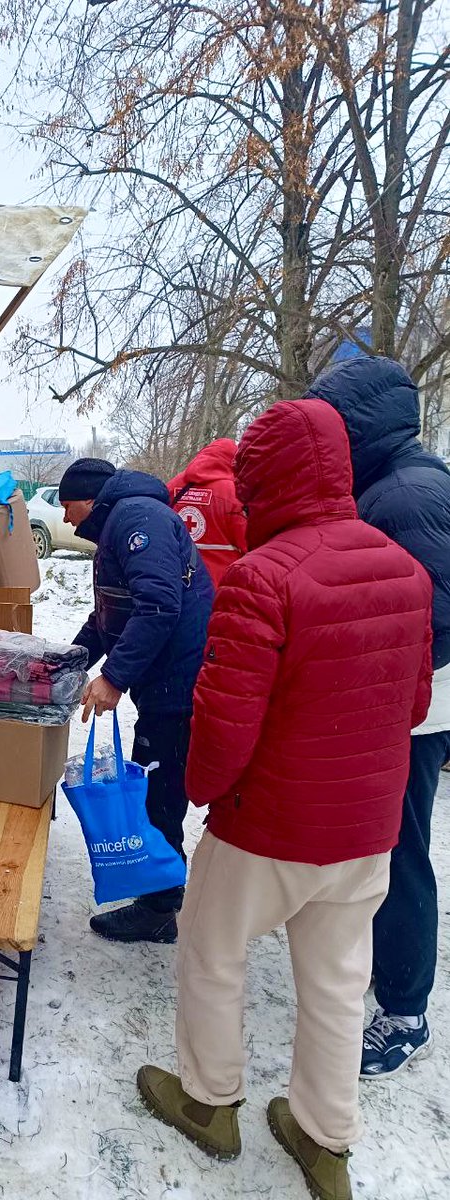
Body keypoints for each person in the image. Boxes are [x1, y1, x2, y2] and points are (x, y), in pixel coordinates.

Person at [136, 398, 432, 1200]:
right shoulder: (404, 571)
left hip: (267, 824)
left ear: (260, 480)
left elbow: (224, 728)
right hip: (366, 830)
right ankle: (325, 1140)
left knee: (210, 951)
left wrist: (201, 791)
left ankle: (208, 1103)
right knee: (339, 982)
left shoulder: (262, 578)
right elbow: (409, 710)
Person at [305, 355, 450, 1078]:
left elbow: (430, 622)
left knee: (399, 851)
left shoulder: (401, 498)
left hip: (412, 710)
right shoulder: (397, 483)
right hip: (408, 703)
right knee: (385, 847)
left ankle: (404, 1010)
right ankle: (387, 979)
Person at [59, 457, 213, 942]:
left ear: (89, 499)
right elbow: (113, 610)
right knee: (154, 788)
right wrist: (70, 661)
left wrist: (114, 678)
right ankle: (162, 895)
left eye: (67, 507)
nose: (65, 520)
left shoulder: (136, 519)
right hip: (166, 681)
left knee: (159, 793)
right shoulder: (120, 523)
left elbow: (159, 606)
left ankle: (160, 909)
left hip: (178, 685)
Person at [167, 438, 246, 587]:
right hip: (218, 586)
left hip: (178, 582)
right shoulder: (234, 493)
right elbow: (249, 543)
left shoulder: (173, 486)